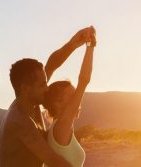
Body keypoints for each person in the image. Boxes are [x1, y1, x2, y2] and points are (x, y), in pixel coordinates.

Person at [0, 26, 96, 167]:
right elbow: (54, 161)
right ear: (25, 89)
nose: (47, 87)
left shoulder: (33, 101)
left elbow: (52, 65)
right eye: (42, 85)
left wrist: (73, 44)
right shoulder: (19, 120)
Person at [43, 27, 96, 167]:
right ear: (57, 103)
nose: (77, 99)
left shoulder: (60, 129)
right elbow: (84, 81)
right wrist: (90, 46)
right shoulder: (61, 127)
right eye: (72, 96)